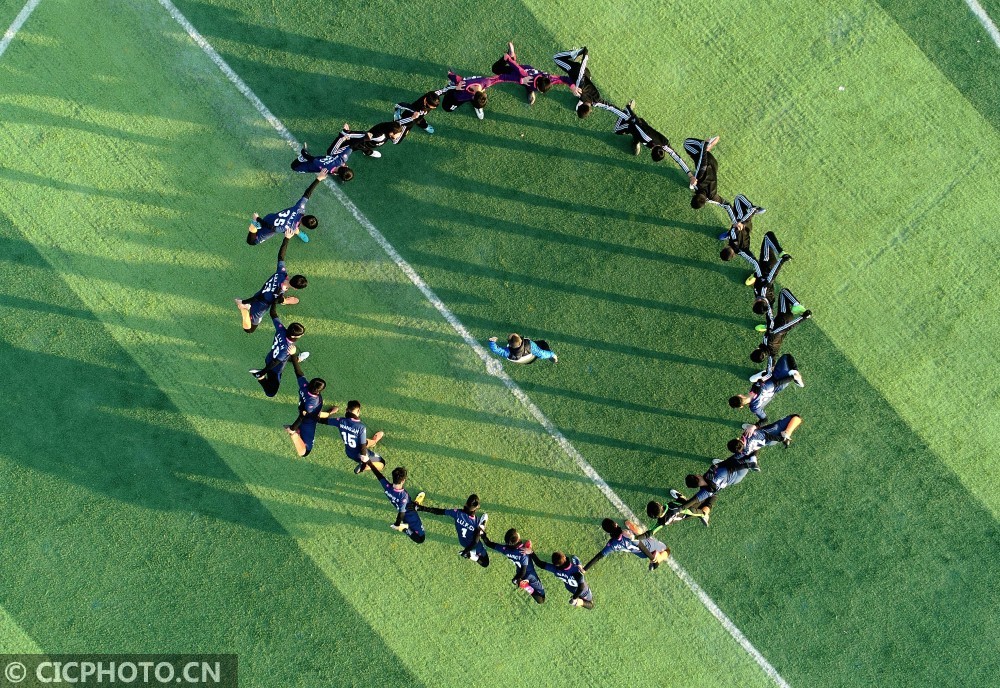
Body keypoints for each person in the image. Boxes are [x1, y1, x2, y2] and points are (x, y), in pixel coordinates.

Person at [235, 230, 307, 333]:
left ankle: (246, 304)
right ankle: (244, 308)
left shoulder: (282, 273)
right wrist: (243, 302)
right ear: (295, 288)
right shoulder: (277, 293)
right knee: (250, 330)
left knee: (275, 299)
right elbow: (264, 299)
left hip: (262, 294)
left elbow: (281, 256)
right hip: (260, 306)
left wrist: (286, 238)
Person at [595, 99, 691, 174]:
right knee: (616, 129)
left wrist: (689, 174)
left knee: (639, 136)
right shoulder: (646, 136)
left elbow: (676, 157)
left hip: (641, 131)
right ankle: (626, 112)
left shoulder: (664, 144)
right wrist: (628, 108)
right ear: (652, 150)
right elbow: (635, 121)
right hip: (634, 125)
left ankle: (636, 141)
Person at [673, 453, 761, 527]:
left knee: (701, 504)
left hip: (733, 481)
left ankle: (701, 513)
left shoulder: (705, 492)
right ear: (697, 476)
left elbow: (692, 500)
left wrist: (679, 509)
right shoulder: (716, 474)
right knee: (748, 452)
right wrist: (749, 465)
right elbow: (731, 468)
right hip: (737, 473)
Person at [246, 171, 325, 246]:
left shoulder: (300, 207)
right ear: (304, 226)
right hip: (264, 230)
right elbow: (274, 229)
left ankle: (256, 224)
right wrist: (258, 219)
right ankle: (254, 224)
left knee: (262, 225)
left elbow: (308, 193)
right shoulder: (291, 228)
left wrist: (318, 179)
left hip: (270, 217)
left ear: (306, 215)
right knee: (251, 241)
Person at [415, 494, 490, 567]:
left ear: (466, 504)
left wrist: (421, 508)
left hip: (464, 542)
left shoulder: (457, 513)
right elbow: (475, 542)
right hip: (473, 546)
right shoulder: (476, 523)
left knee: (478, 532)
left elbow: (439, 511)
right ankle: (482, 523)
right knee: (485, 563)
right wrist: (466, 551)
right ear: (476, 508)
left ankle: (471, 555)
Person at [249, 303, 306, 397]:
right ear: (293, 336)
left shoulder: (281, 329)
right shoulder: (287, 348)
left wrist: (275, 299)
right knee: (271, 393)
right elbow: (275, 362)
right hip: (275, 369)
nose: (302, 335)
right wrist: (262, 372)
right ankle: (261, 378)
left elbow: (273, 313)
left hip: (270, 357)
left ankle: (297, 359)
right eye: (300, 334)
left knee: (286, 356)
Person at [492, 41, 575, 105]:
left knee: (528, 85)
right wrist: (508, 59)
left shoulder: (549, 79)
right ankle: (511, 55)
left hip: (528, 71)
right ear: (538, 88)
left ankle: (530, 91)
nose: (541, 92)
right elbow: (518, 69)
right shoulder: (526, 77)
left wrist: (573, 86)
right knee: (495, 69)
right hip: (521, 73)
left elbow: (563, 79)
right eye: (541, 91)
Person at [363, 463, 427, 544]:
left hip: (404, 508)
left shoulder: (387, 487)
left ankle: (416, 504)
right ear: (403, 480)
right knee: (421, 539)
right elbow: (401, 514)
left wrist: (369, 462)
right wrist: (397, 525)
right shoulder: (404, 496)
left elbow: (379, 476)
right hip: (411, 517)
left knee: (409, 503)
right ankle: (405, 527)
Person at [729, 354, 804, 422]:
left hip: (777, 388)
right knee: (787, 357)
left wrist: (755, 426)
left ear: (741, 407)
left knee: (764, 377)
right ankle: (796, 375)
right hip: (780, 381)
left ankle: (793, 374)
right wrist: (792, 377)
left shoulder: (754, 409)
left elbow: (764, 420)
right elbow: (777, 383)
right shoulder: (758, 387)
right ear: (739, 395)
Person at [751, 288, 811, 371]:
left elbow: (771, 365)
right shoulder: (770, 339)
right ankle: (797, 306)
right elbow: (786, 327)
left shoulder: (772, 353)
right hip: (784, 318)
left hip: (778, 325)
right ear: (756, 350)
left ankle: (766, 326)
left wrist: (767, 373)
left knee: (771, 327)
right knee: (783, 292)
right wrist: (803, 317)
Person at [481, 528, 545, 603]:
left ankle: (523, 583)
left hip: (519, 571)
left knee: (522, 574)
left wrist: (483, 535)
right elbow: (523, 572)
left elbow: (489, 543)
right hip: (529, 574)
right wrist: (530, 551)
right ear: (518, 538)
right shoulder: (523, 554)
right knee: (541, 599)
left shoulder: (505, 549)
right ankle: (526, 586)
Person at [321, 400, 385, 474]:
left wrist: (328, 412)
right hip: (360, 454)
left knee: (365, 440)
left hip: (349, 452)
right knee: (382, 463)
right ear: (358, 411)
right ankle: (365, 467)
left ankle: (374, 442)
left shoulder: (340, 421)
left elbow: (322, 421)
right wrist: (364, 463)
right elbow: (363, 448)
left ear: (347, 410)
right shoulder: (361, 427)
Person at [583, 518, 670, 572]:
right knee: (667, 550)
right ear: (616, 524)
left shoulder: (612, 544)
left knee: (633, 539)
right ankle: (659, 558)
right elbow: (641, 545)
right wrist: (652, 558)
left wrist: (585, 569)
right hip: (648, 546)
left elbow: (599, 556)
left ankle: (655, 557)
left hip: (641, 555)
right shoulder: (627, 533)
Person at [284, 357, 328, 457]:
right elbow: (303, 416)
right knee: (305, 452)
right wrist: (292, 429)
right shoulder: (313, 401)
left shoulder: (304, 386)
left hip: (306, 415)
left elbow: (299, 373)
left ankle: (296, 432)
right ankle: (295, 433)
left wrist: (294, 356)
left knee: (291, 428)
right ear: (318, 391)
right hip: (308, 423)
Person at [736, 232, 792, 309]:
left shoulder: (768, 301)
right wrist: (782, 260)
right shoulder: (763, 288)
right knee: (768, 236)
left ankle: (754, 275)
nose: (753, 303)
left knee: (759, 273)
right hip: (767, 265)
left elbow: (769, 306)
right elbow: (772, 275)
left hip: (763, 274)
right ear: (758, 301)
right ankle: (781, 253)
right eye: (754, 304)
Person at [529, 550, 593, 609]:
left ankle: (578, 563)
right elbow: (581, 587)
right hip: (584, 592)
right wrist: (574, 598)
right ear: (564, 557)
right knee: (591, 604)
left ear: (556, 565)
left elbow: (540, 564)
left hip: (572, 589)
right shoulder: (575, 570)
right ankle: (578, 563)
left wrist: (531, 552)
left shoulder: (556, 570)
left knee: (581, 603)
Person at [551, 47, 602, 118]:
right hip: (576, 71)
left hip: (587, 74)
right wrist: (585, 55)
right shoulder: (578, 91)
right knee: (556, 58)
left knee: (578, 93)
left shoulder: (596, 98)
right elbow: (570, 78)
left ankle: (574, 57)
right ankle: (576, 53)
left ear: (590, 110)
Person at [728, 414, 804, 457]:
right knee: (796, 417)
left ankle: (785, 436)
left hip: (764, 442)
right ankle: (786, 434)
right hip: (771, 432)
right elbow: (766, 435)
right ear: (737, 439)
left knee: (770, 441)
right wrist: (781, 439)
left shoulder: (745, 452)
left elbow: (738, 455)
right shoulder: (749, 435)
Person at [683, 136, 725, 209]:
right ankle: (706, 147)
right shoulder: (699, 176)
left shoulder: (713, 196)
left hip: (714, 167)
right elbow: (703, 162)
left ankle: (705, 148)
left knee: (699, 163)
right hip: (707, 160)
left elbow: (725, 203)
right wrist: (704, 145)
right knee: (687, 143)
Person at [330, 121, 405, 158]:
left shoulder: (390, 126)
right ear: (391, 133)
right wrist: (346, 132)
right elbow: (362, 135)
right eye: (396, 136)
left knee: (367, 148)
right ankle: (333, 158)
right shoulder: (379, 135)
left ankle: (367, 152)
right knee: (346, 148)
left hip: (370, 143)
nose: (397, 137)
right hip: (362, 143)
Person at [487, 333, 557, 364]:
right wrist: (552, 354)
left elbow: (496, 350)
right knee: (542, 343)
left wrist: (492, 342)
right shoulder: (530, 345)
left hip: (520, 361)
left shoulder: (508, 353)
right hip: (530, 357)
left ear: (510, 345)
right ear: (520, 342)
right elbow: (542, 354)